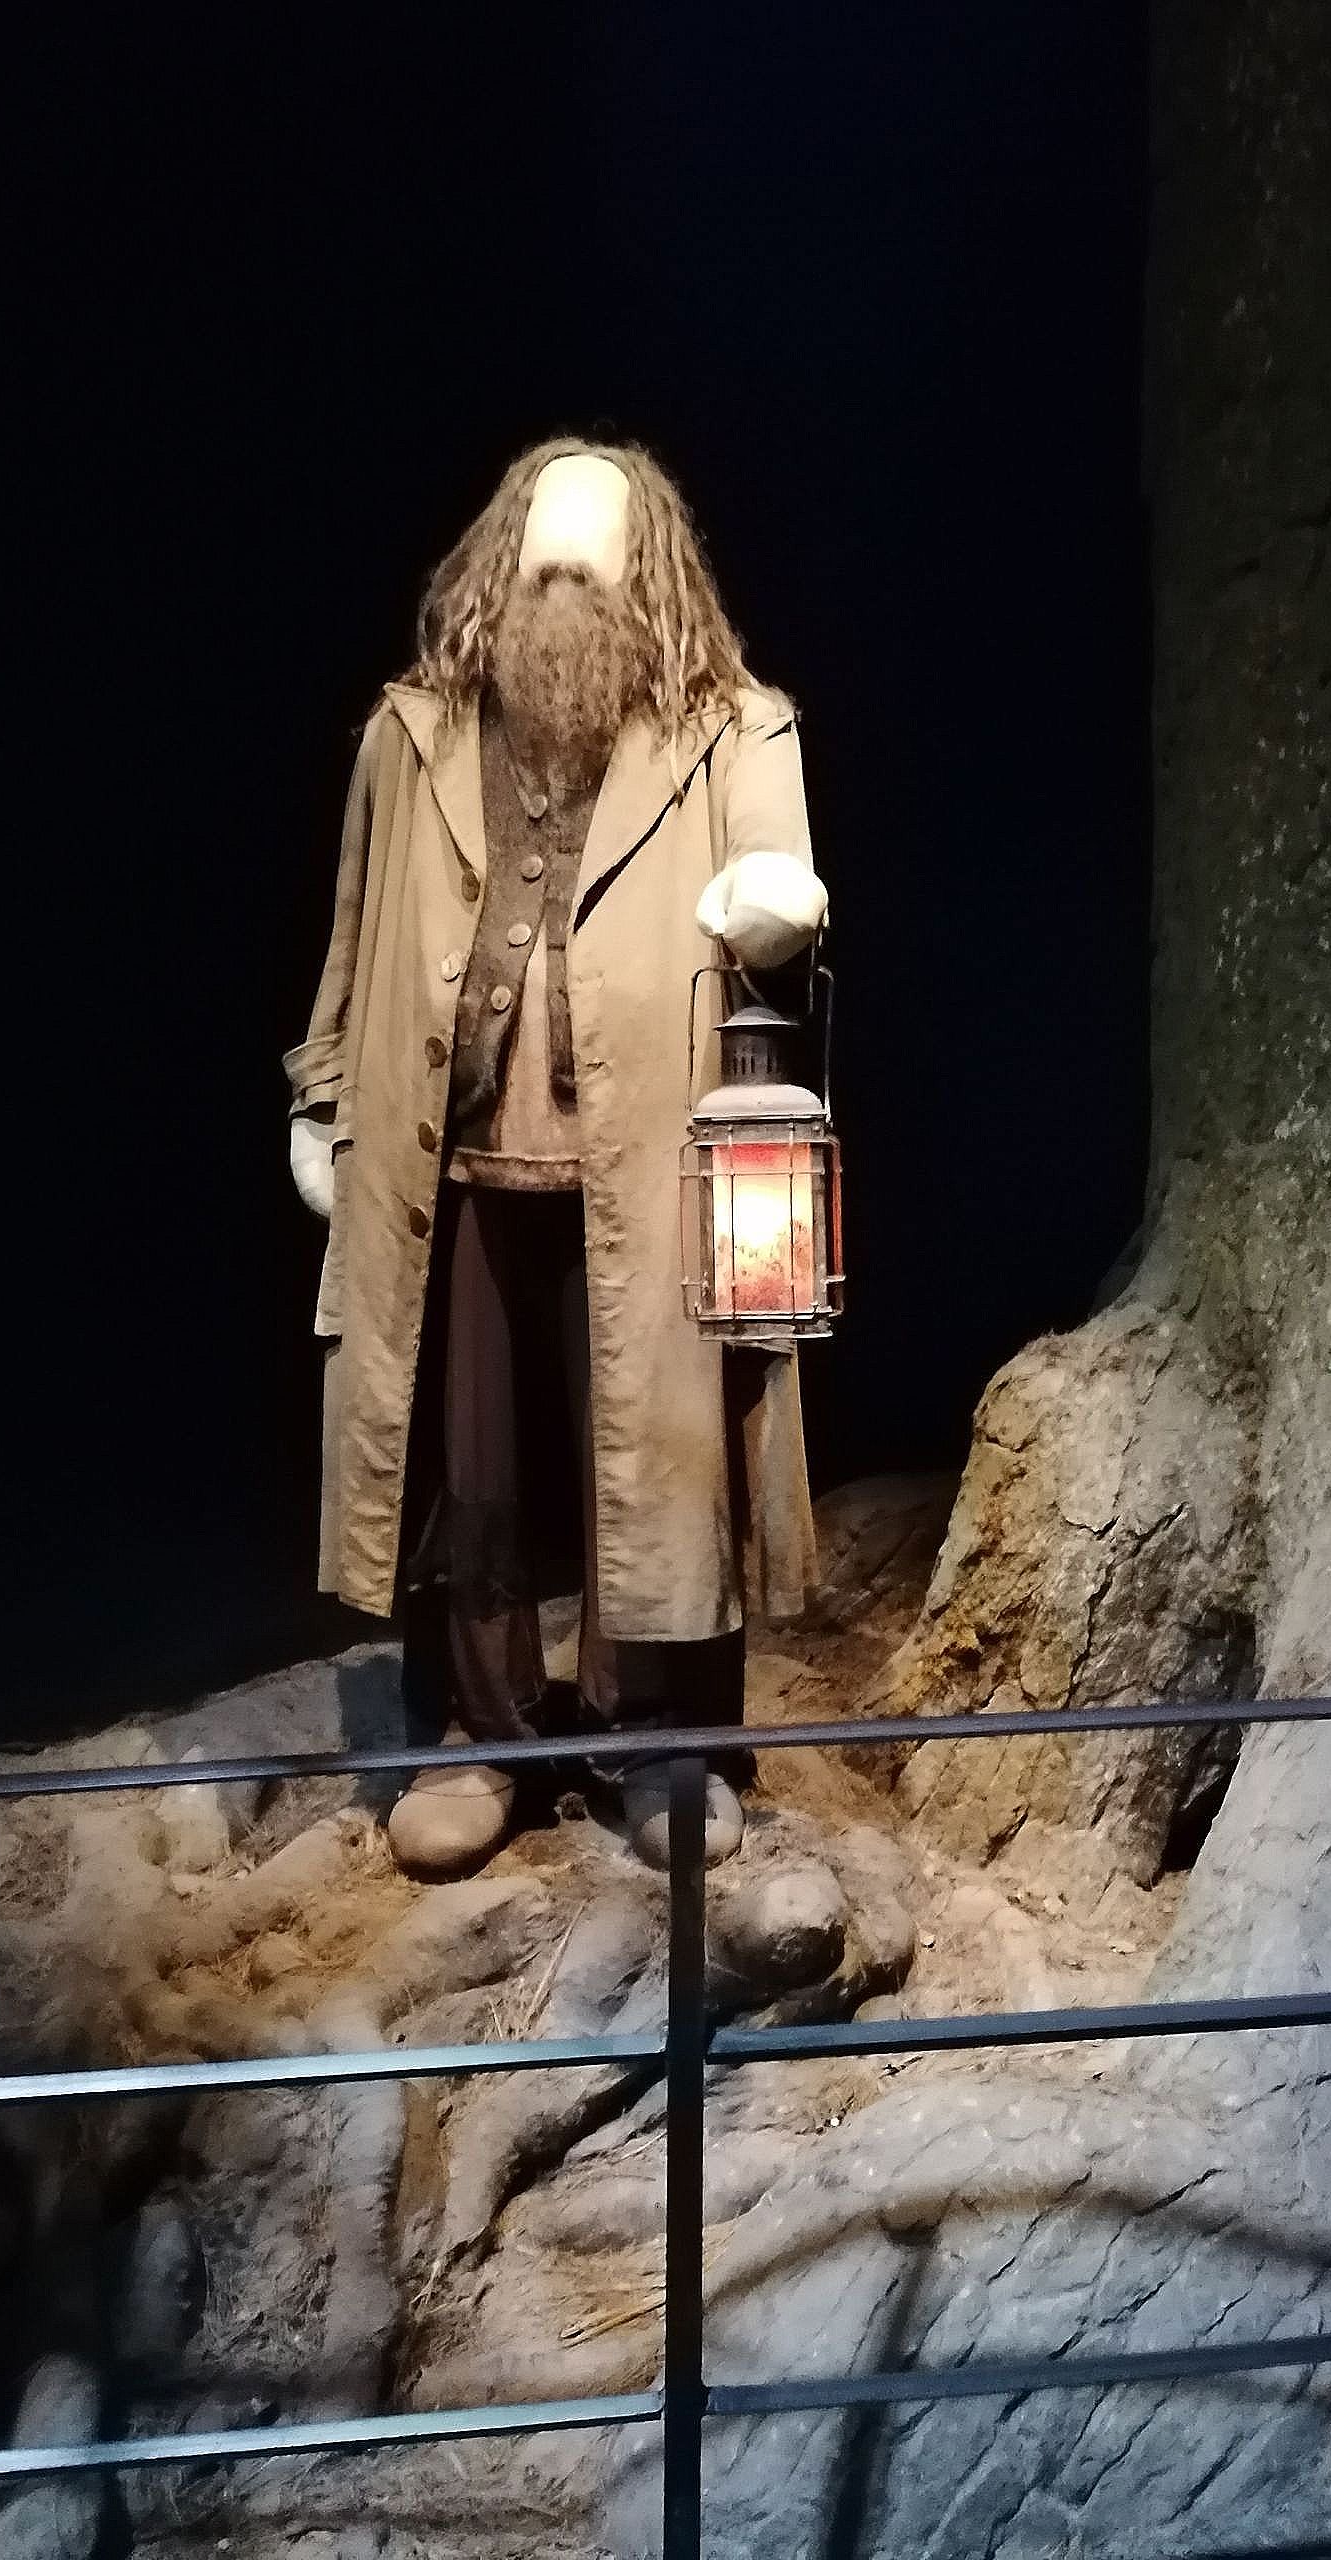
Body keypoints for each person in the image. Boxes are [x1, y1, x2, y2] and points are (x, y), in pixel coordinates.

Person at [285, 442, 827, 1878]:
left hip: (651, 1164)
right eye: (544, 563)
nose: (565, 591)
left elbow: (777, 874)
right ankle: (483, 1731)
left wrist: (774, 898)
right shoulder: (413, 736)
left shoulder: (730, 729)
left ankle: (661, 1741)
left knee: (661, 1453)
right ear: (498, 571)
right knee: (464, 1466)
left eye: (592, 565)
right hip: (452, 1155)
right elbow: (355, 935)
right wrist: (320, 1096)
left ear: (648, 579)